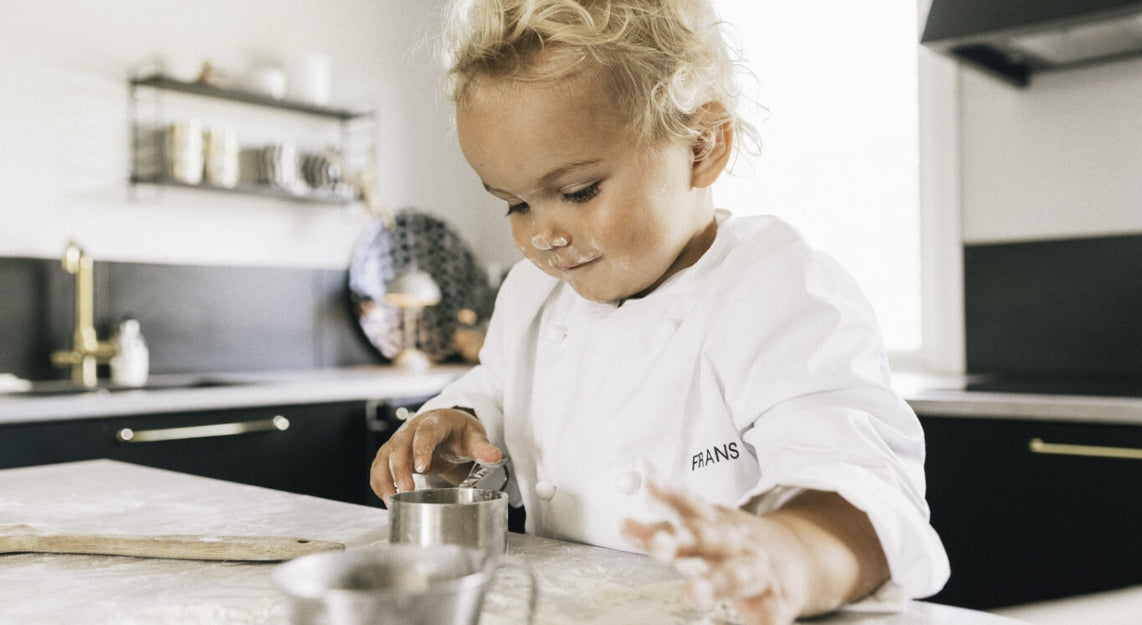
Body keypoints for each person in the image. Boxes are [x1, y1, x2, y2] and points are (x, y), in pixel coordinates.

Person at [369, 0, 949, 622]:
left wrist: (787, 557)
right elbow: (498, 390)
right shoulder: (532, 295)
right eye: (516, 204)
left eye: (578, 191)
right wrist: (459, 423)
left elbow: (858, 485)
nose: (543, 235)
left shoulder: (776, 286)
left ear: (702, 145)